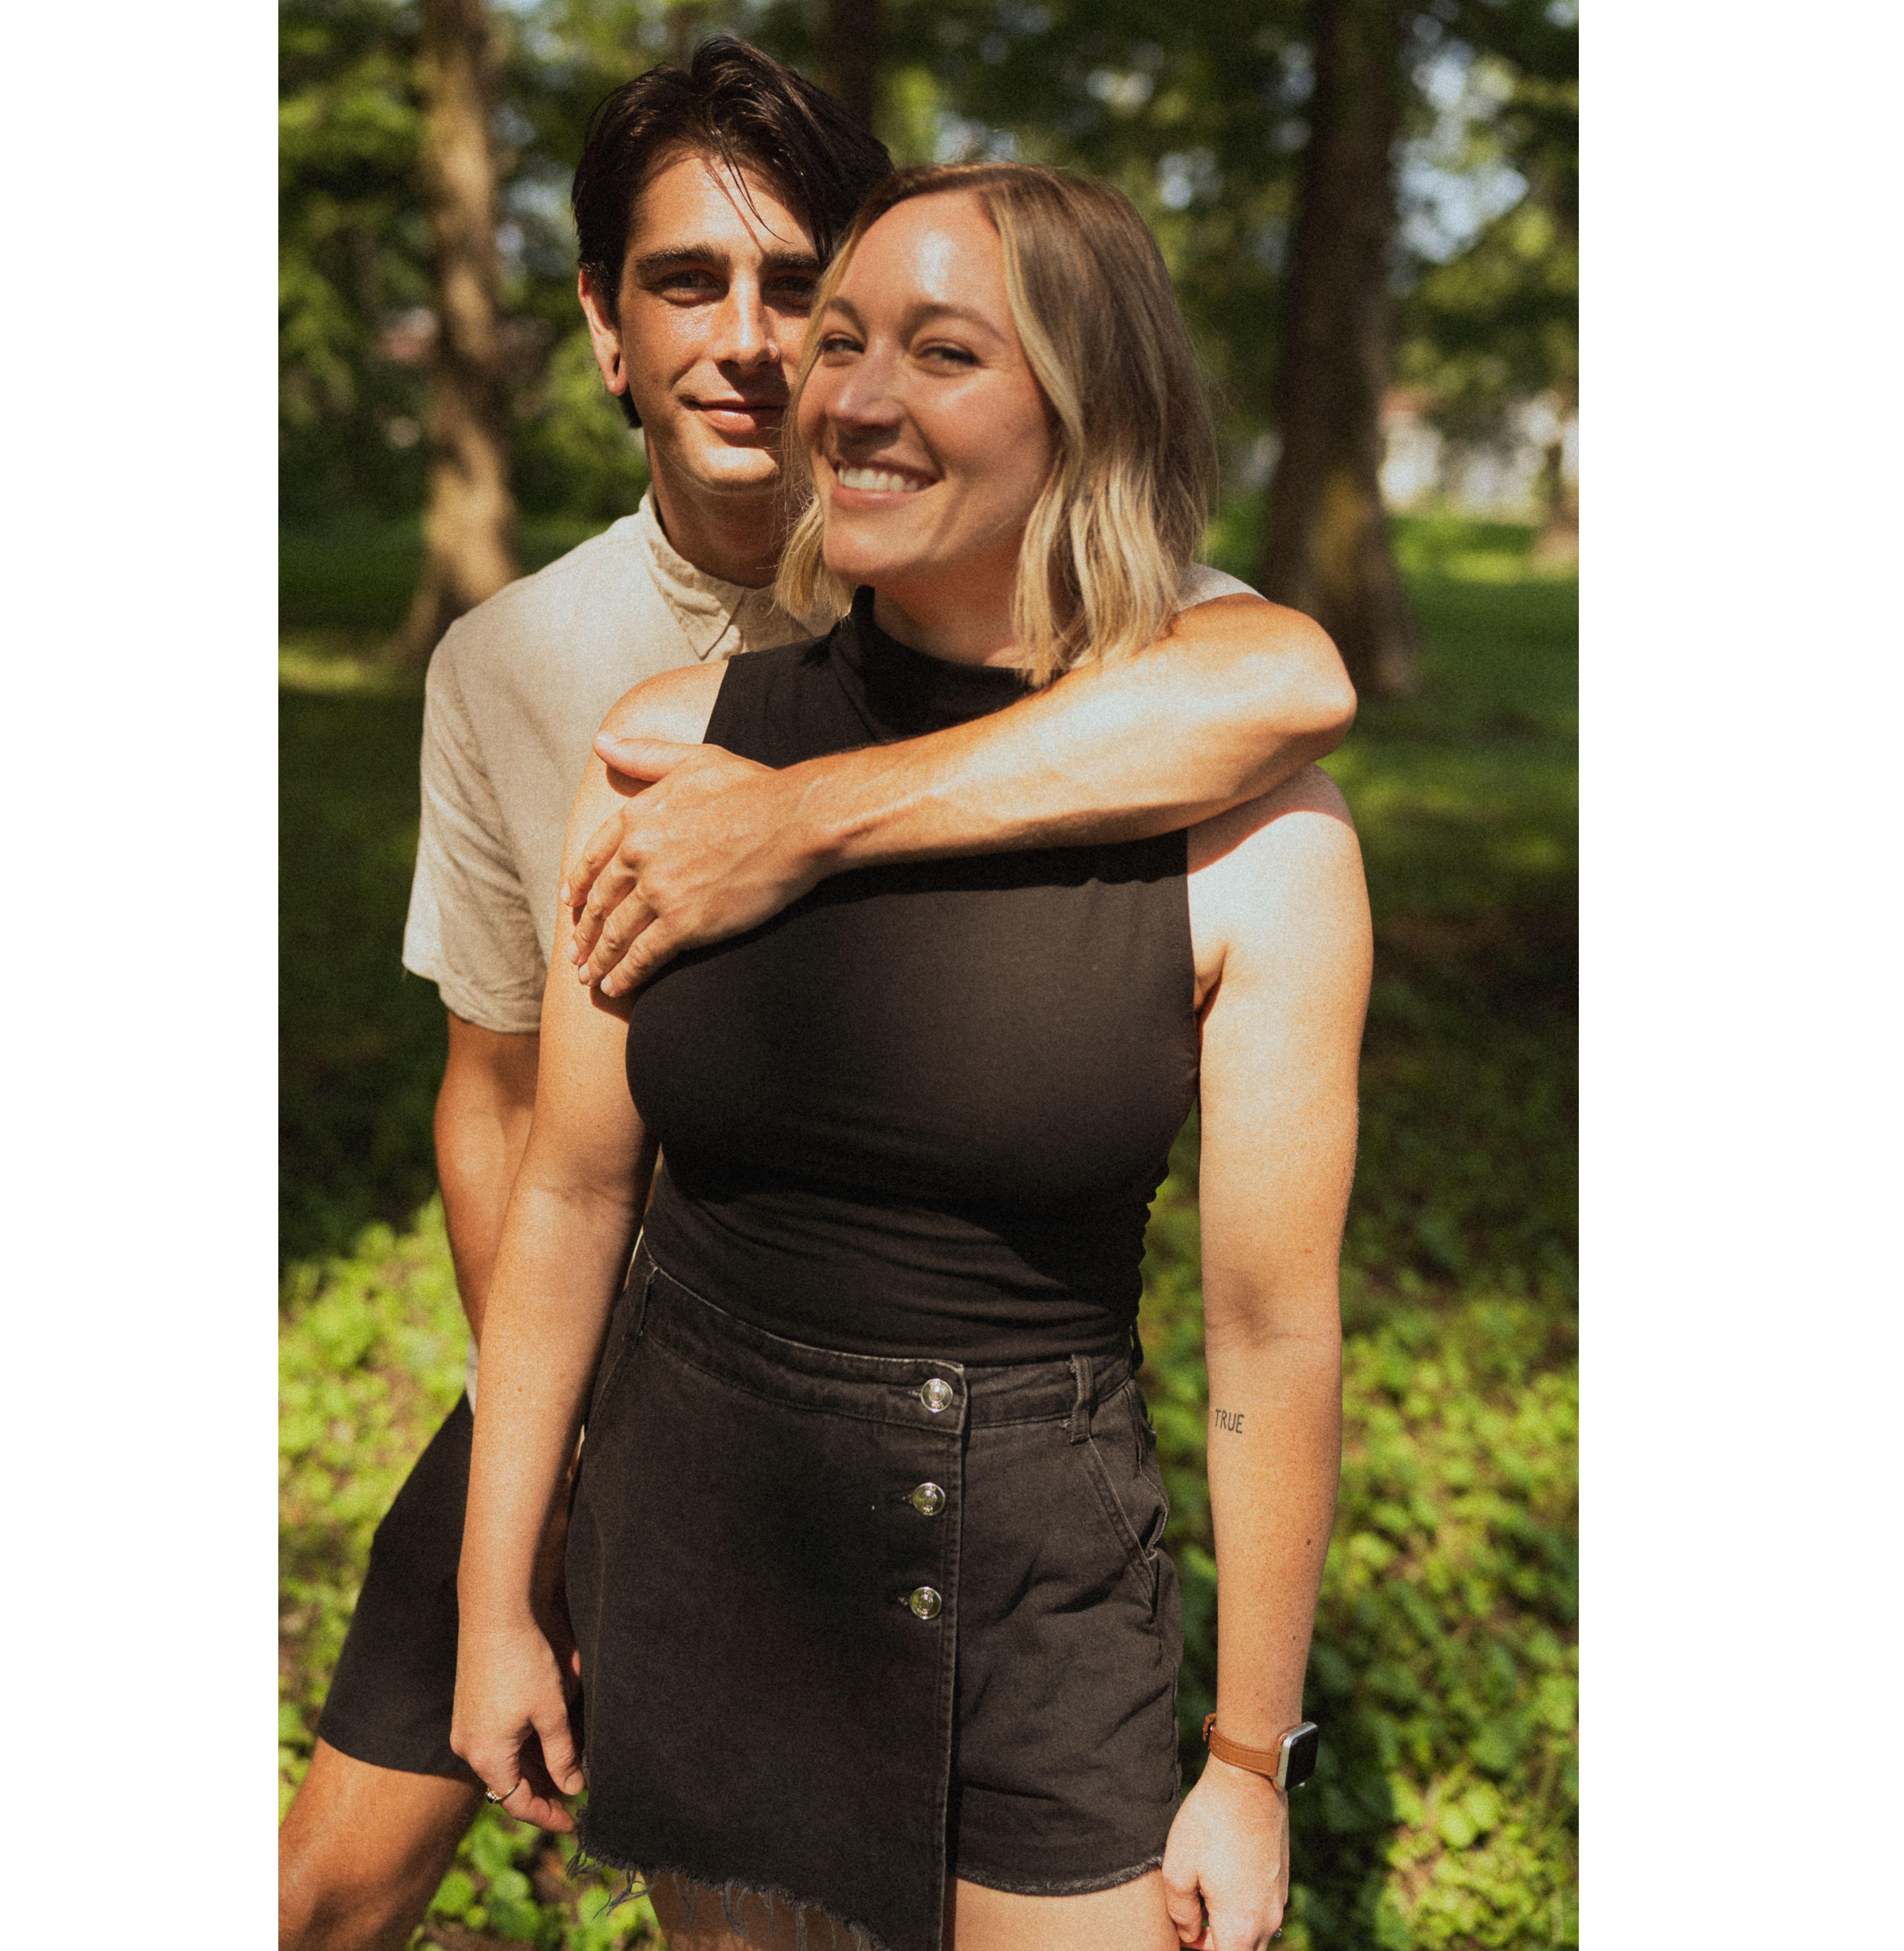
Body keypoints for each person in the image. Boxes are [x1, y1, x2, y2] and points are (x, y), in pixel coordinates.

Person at [278, 40, 1354, 1951]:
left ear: (1073, 405)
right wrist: (535, 1538)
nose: (793, 365)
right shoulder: (567, 687)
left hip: (1013, 1515)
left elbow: (1289, 687)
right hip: (681, 1413)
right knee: (330, 1886)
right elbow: (531, 1139)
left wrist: (1251, 1756)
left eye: (836, 307)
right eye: (712, 292)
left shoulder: (1175, 725)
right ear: (605, 326)